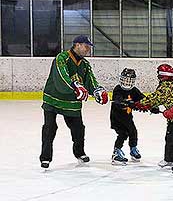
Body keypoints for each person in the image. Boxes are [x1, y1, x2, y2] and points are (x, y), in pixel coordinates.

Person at [40, 35, 108, 169]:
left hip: (72, 103)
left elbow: (91, 80)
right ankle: (45, 158)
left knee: (78, 129)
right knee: (49, 129)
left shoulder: (85, 64)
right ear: (77, 45)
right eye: (86, 46)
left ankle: (79, 153)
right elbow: (61, 75)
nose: (88, 49)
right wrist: (74, 85)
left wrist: (97, 90)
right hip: (52, 99)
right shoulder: (62, 58)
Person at [135, 64, 173, 168]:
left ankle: (169, 159)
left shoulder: (165, 87)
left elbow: (156, 98)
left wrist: (142, 103)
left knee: (171, 138)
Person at [110, 68, 145, 165]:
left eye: (129, 81)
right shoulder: (118, 89)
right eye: (125, 80)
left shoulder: (134, 90)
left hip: (127, 117)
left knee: (133, 132)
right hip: (117, 118)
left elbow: (142, 98)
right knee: (123, 134)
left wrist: (150, 106)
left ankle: (133, 149)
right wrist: (127, 102)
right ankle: (116, 153)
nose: (127, 83)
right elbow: (118, 100)